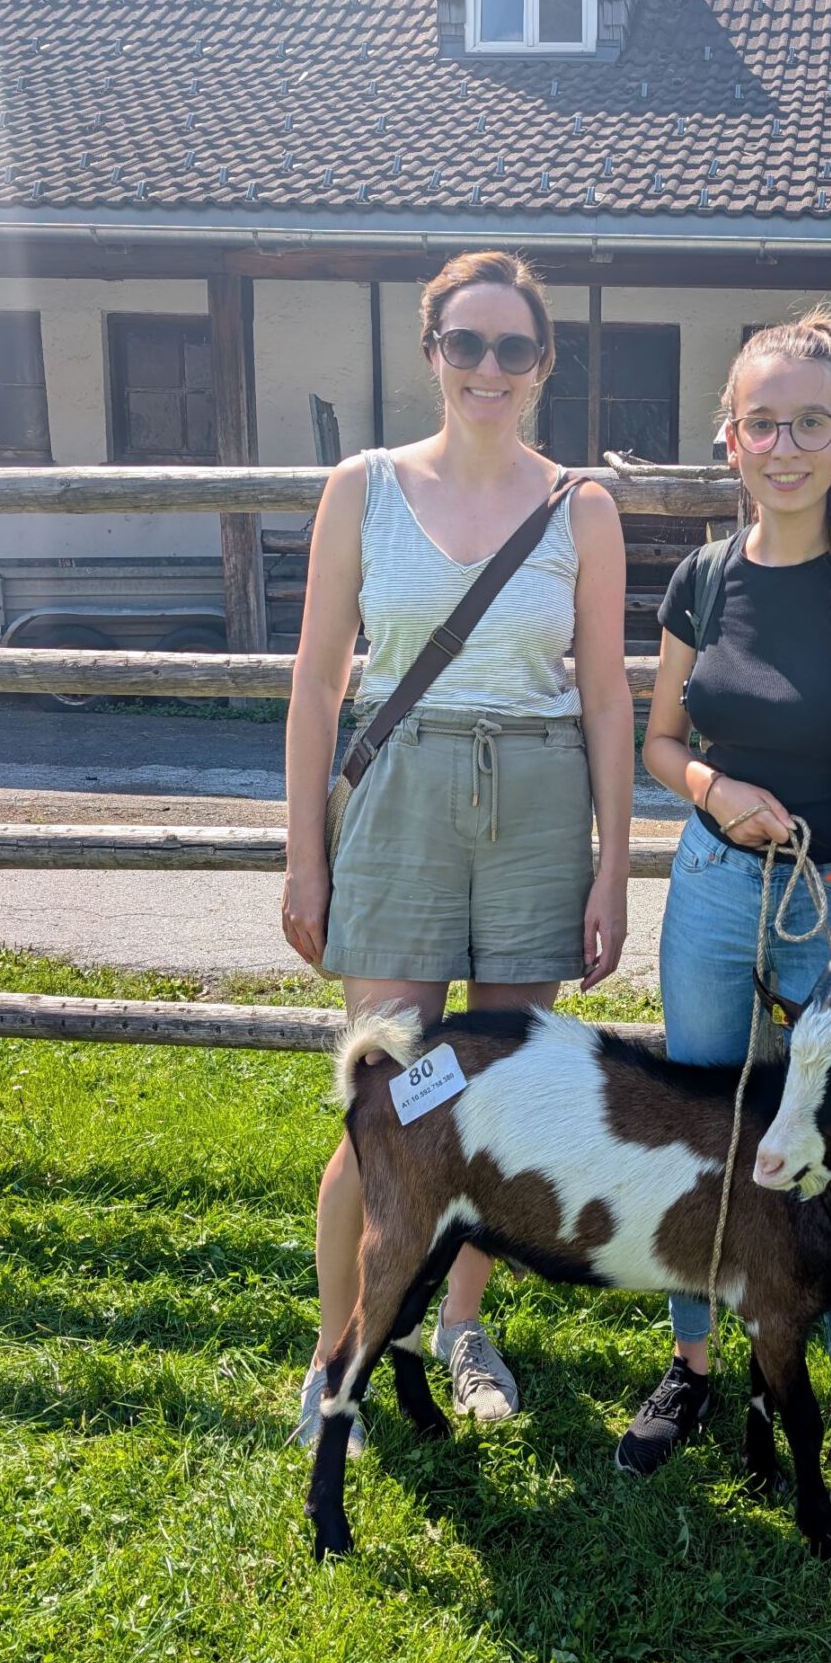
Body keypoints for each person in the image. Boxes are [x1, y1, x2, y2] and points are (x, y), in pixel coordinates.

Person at [281, 249, 632, 1448]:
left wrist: (613, 863)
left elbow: (605, 697)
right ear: (432, 352)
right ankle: (339, 1352)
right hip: (402, 797)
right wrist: (305, 854)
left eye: (513, 346)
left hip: (538, 803)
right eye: (466, 343)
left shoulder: (582, 507)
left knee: (502, 1095)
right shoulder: (364, 488)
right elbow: (319, 682)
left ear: (542, 364)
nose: (490, 366)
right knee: (388, 1099)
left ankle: (460, 1324)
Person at [623, 310, 831, 1531]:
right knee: (700, 1137)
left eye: (812, 422)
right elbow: (660, 740)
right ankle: (696, 1364)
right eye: (764, 423)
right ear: (731, 437)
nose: (786, 446)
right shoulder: (702, 579)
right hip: (712, 888)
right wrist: (711, 787)